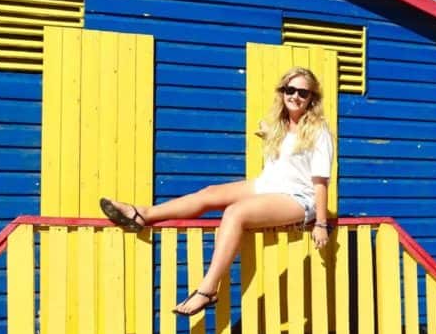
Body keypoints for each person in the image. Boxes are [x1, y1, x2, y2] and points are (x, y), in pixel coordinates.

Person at [100, 66, 334, 316]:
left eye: (303, 93)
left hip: (298, 198)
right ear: (282, 92)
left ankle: (208, 288)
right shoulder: (279, 126)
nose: (295, 96)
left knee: (235, 212)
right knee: (210, 193)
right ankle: (142, 214)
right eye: (290, 90)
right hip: (268, 186)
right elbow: (286, 161)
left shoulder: (318, 132)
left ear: (312, 99)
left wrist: (320, 222)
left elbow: (320, 181)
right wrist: (269, 135)